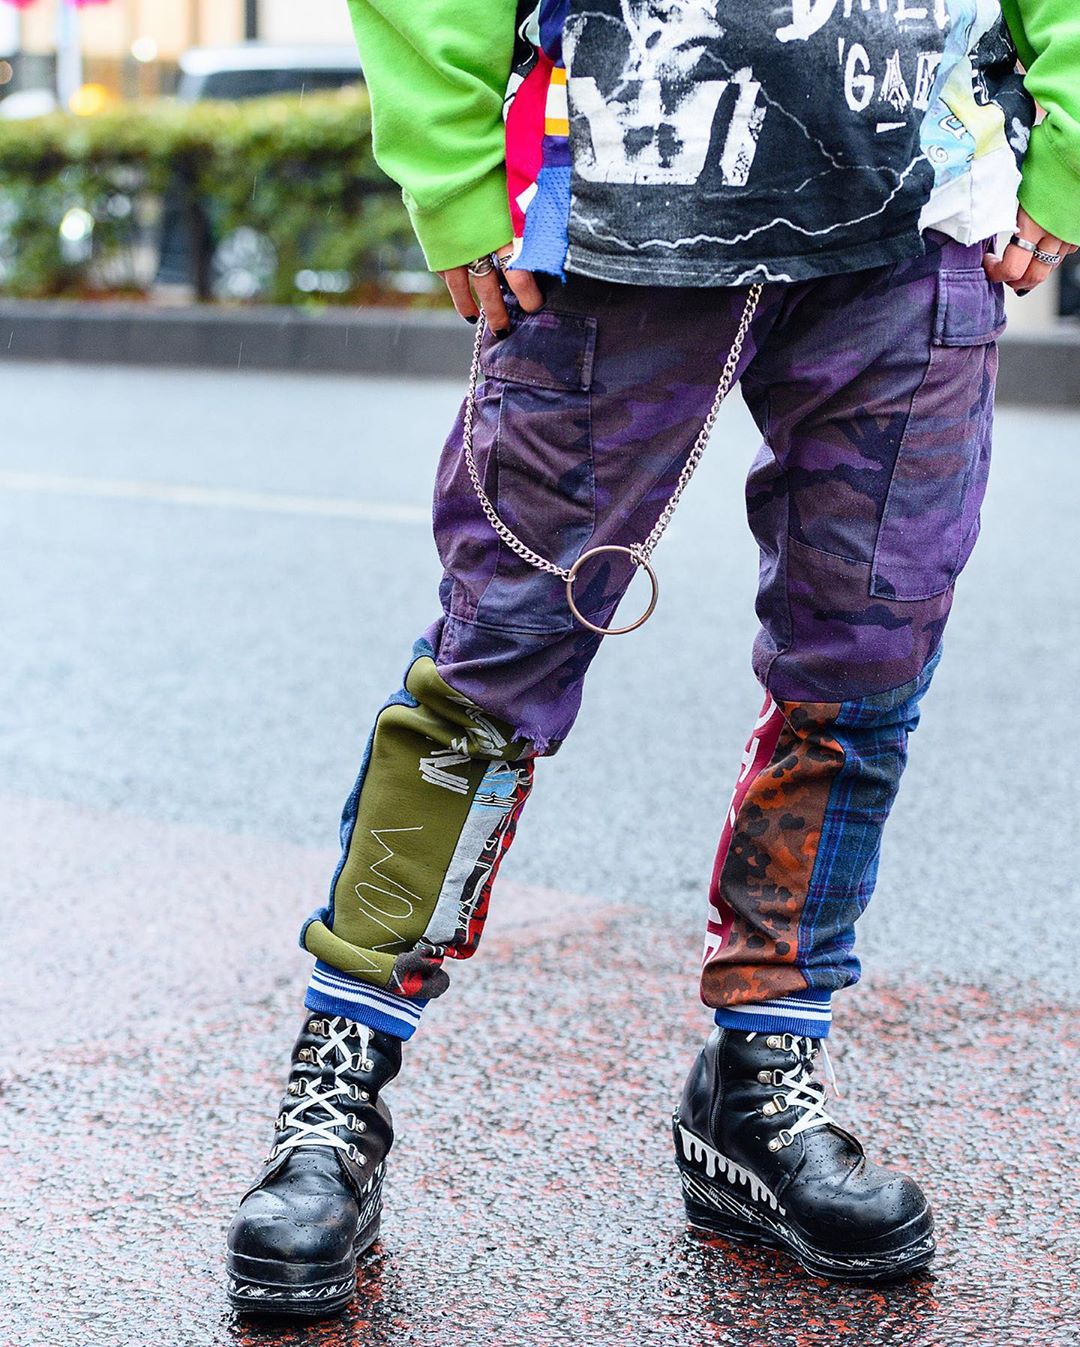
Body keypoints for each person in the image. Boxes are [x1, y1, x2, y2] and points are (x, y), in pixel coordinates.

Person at [225, 0, 1079, 1312]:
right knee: (496, 661)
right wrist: (455, 170)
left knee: (867, 665)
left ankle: (763, 1079)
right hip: (625, 204)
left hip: (918, 211)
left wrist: (1068, 145)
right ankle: (336, 1096)